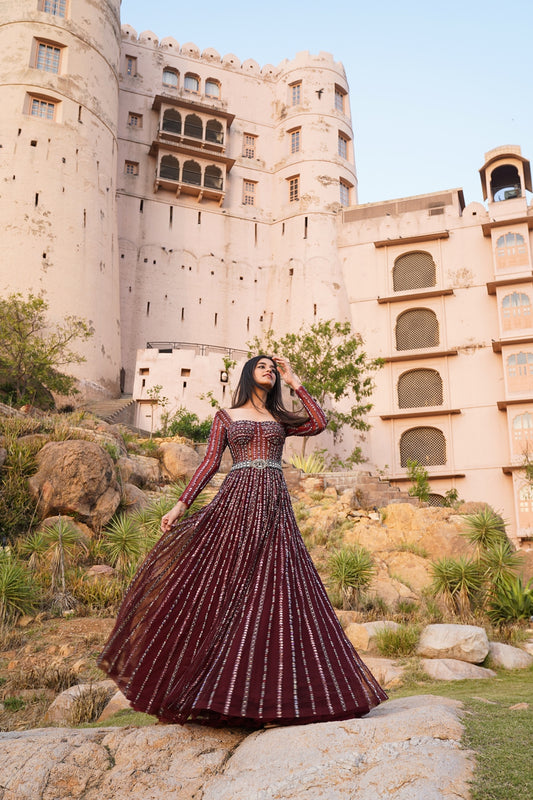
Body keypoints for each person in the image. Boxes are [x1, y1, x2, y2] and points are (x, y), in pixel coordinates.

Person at [98, 355, 387, 727]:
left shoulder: (280, 418)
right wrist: (180, 505)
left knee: (275, 591)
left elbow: (318, 422)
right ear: (248, 373)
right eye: (262, 365)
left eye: (273, 367)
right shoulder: (227, 416)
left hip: (274, 508)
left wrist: (294, 380)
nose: (269, 369)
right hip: (236, 502)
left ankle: (267, 700)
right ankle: (203, 691)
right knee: (222, 587)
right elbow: (209, 464)